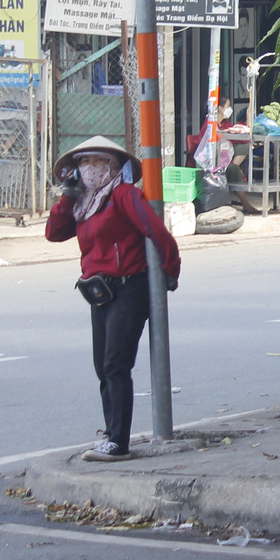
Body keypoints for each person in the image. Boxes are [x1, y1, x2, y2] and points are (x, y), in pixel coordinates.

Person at [46, 136, 182, 462]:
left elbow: (157, 232)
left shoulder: (123, 195)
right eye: (82, 163)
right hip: (99, 291)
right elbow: (54, 232)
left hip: (130, 288)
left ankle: (118, 441)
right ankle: (110, 433)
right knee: (101, 367)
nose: (88, 169)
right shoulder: (85, 201)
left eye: (96, 162)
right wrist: (68, 195)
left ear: (112, 165)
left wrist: (170, 271)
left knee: (115, 364)